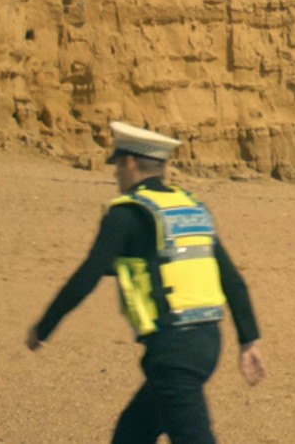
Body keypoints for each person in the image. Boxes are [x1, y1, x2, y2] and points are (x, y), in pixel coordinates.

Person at [27, 121, 266, 444]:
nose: (115, 176)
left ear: (128, 163)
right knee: (131, 435)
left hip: (173, 352)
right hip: (207, 341)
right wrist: (248, 341)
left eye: (117, 167)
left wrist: (43, 328)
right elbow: (232, 280)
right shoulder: (190, 209)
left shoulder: (127, 213)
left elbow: (87, 275)